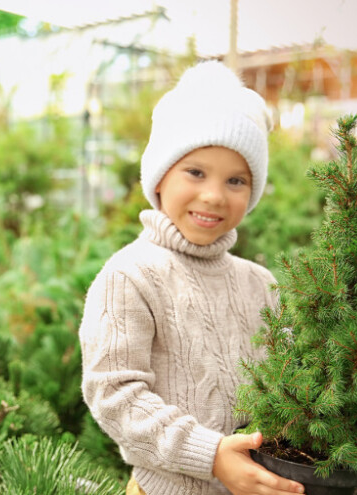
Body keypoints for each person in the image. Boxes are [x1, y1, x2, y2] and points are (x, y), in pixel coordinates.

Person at [79, 61, 306, 495]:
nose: (214, 195)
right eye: (196, 172)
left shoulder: (261, 283)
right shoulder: (129, 276)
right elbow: (115, 394)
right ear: (160, 176)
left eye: (236, 180)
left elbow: (294, 385)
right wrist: (212, 456)